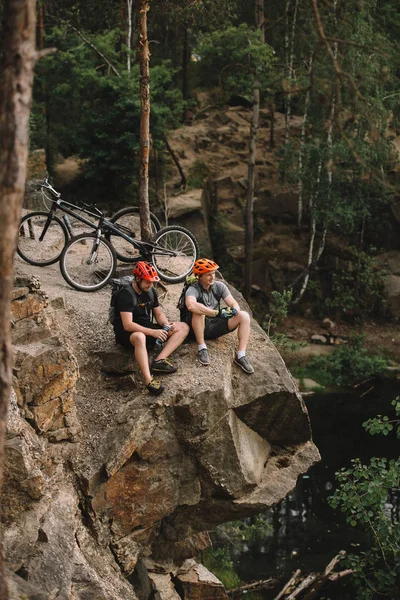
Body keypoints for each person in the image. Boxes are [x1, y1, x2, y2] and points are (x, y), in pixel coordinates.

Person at [113, 261, 189, 395]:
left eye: (152, 282)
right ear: (137, 279)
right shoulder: (125, 295)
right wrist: (153, 332)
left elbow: (158, 313)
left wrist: (166, 325)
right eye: (147, 282)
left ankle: (159, 360)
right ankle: (148, 380)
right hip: (127, 334)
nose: (151, 285)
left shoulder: (150, 291)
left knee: (183, 327)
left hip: (147, 328)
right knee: (140, 336)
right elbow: (128, 324)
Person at [185, 258, 254, 373]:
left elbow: (233, 303)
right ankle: (202, 348)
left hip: (215, 325)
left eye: (213, 273)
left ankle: (241, 356)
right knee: (199, 311)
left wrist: (235, 310)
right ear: (200, 276)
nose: (212, 277)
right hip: (197, 327)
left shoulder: (219, 286)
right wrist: (216, 313)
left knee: (244, 316)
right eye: (208, 275)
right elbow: (191, 305)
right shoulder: (193, 289)